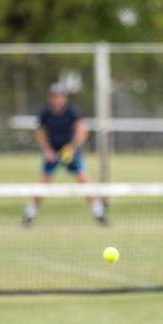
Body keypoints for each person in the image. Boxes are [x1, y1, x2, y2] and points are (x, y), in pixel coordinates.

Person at [22, 83, 107, 227]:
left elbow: (82, 130)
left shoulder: (72, 112)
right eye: (54, 96)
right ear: (50, 98)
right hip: (52, 153)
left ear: (64, 98)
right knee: (44, 181)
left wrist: (72, 148)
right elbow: (40, 132)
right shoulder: (45, 114)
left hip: (70, 152)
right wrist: (47, 150)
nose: (57, 99)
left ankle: (99, 212)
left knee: (83, 179)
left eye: (60, 96)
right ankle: (30, 213)